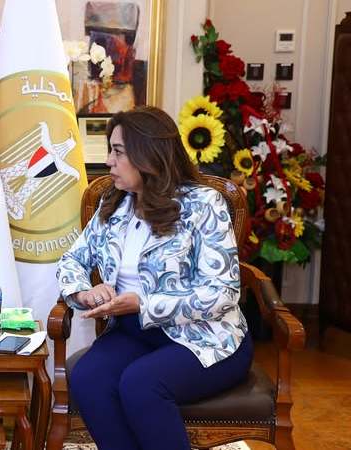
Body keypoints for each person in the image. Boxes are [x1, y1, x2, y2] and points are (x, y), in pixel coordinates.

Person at [57, 106, 252, 450]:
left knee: (141, 384)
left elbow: (222, 293)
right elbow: (72, 259)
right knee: (89, 379)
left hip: (207, 337)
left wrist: (144, 304)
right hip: (134, 332)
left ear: (148, 154)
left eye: (118, 152)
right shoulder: (113, 204)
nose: (109, 161)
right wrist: (85, 292)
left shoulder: (204, 204)